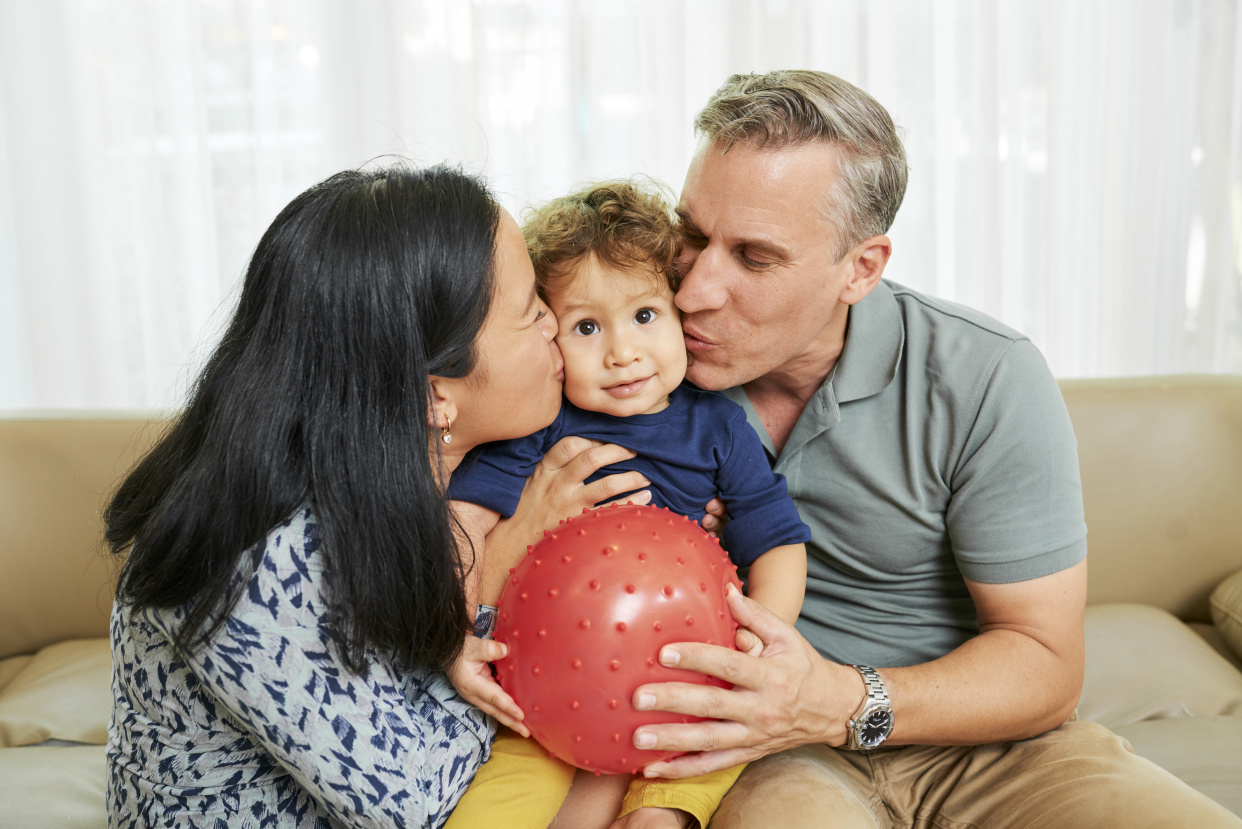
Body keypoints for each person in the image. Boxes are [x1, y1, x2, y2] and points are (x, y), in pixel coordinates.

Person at [611, 71, 1242, 828]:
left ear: (861, 269)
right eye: (691, 235)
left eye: (753, 257)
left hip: (983, 745)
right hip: (767, 751)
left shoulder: (985, 373)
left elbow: (1044, 663)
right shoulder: (627, 362)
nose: (693, 290)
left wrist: (839, 701)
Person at [102, 165, 650, 828]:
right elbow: (410, 803)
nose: (555, 329)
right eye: (531, 310)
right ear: (433, 393)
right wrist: (501, 572)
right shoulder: (258, 557)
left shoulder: (429, 467)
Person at [442, 180, 810, 829]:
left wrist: (760, 634)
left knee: (670, 805)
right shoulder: (538, 426)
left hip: (692, 691)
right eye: (587, 326)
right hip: (547, 695)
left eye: (645, 315)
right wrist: (450, 632)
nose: (622, 351)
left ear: (679, 315)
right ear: (549, 336)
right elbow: (463, 525)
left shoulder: (719, 428)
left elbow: (776, 538)